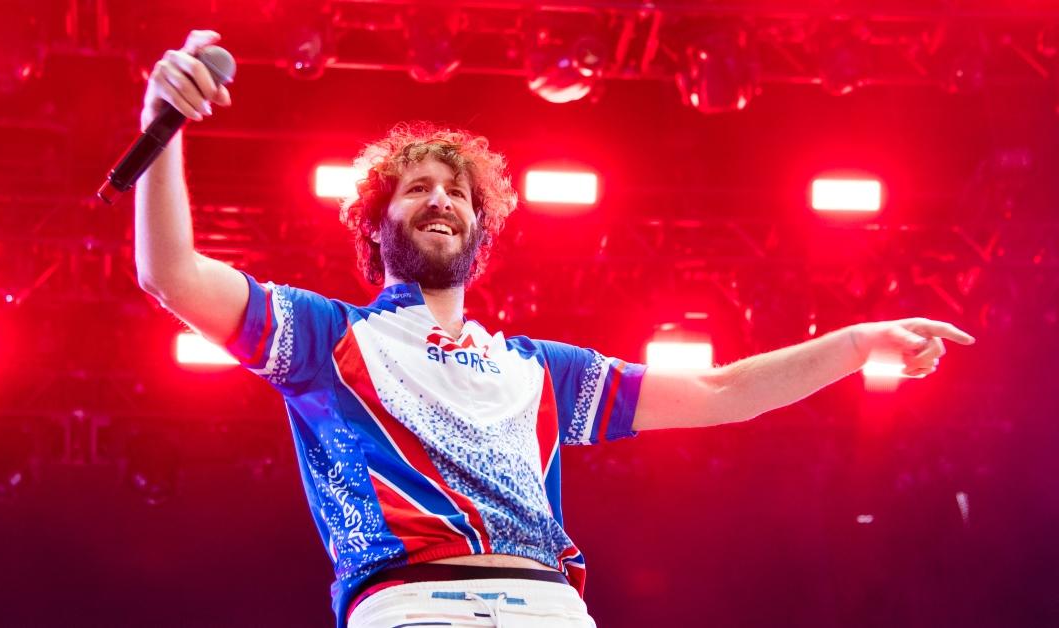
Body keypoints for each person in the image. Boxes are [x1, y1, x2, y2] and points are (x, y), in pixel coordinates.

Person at [134, 29, 976, 628]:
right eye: (417, 187)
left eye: (459, 193)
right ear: (374, 222)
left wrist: (857, 345)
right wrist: (160, 124)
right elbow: (171, 275)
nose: (441, 200)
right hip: (412, 606)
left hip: (551, 608)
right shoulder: (323, 338)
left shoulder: (542, 371)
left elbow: (720, 391)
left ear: (480, 228)